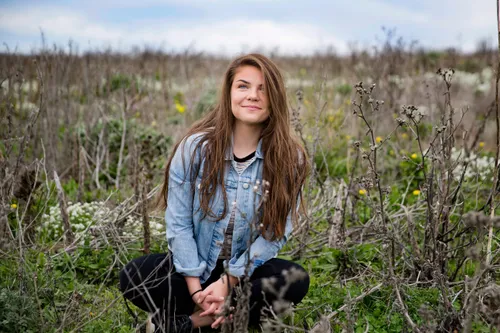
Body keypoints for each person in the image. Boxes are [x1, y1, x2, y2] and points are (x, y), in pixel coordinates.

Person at [120, 53, 310, 332]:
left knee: (295, 279)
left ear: (275, 97)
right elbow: (179, 223)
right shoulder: (195, 148)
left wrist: (228, 282)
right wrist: (197, 289)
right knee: (133, 276)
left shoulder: (289, 157)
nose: (252, 96)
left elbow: (274, 234)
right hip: (193, 272)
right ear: (229, 92)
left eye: (263, 89)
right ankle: (218, 315)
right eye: (243, 86)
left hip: (244, 277)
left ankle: (191, 322)